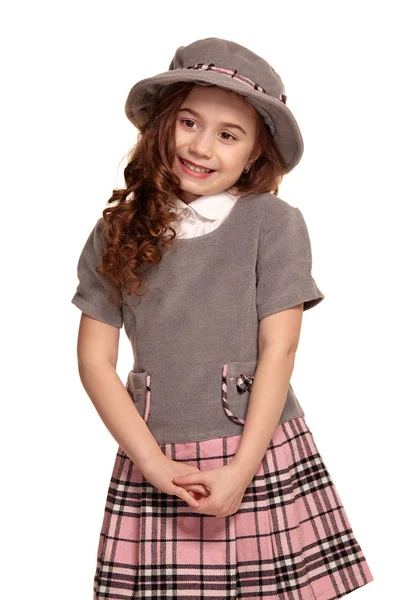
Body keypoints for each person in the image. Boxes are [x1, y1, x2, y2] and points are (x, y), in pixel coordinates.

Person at [71, 37, 374, 599]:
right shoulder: (116, 231)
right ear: (162, 124)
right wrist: (154, 466)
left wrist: (241, 471)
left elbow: (279, 351)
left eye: (228, 134)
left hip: (255, 447)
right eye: (189, 122)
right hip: (156, 453)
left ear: (256, 154)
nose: (202, 146)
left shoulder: (273, 224)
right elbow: (94, 360)